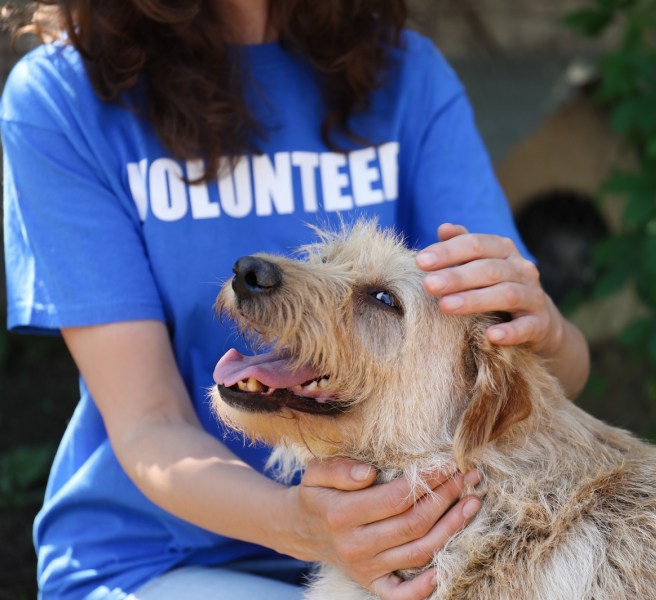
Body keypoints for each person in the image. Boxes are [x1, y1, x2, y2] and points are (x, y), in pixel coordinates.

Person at [1, 1, 591, 599]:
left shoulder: (405, 73)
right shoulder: (63, 97)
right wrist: (303, 528)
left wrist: (547, 332)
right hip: (161, 560)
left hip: (416, 552)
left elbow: (533, 378)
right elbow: (150, 422)